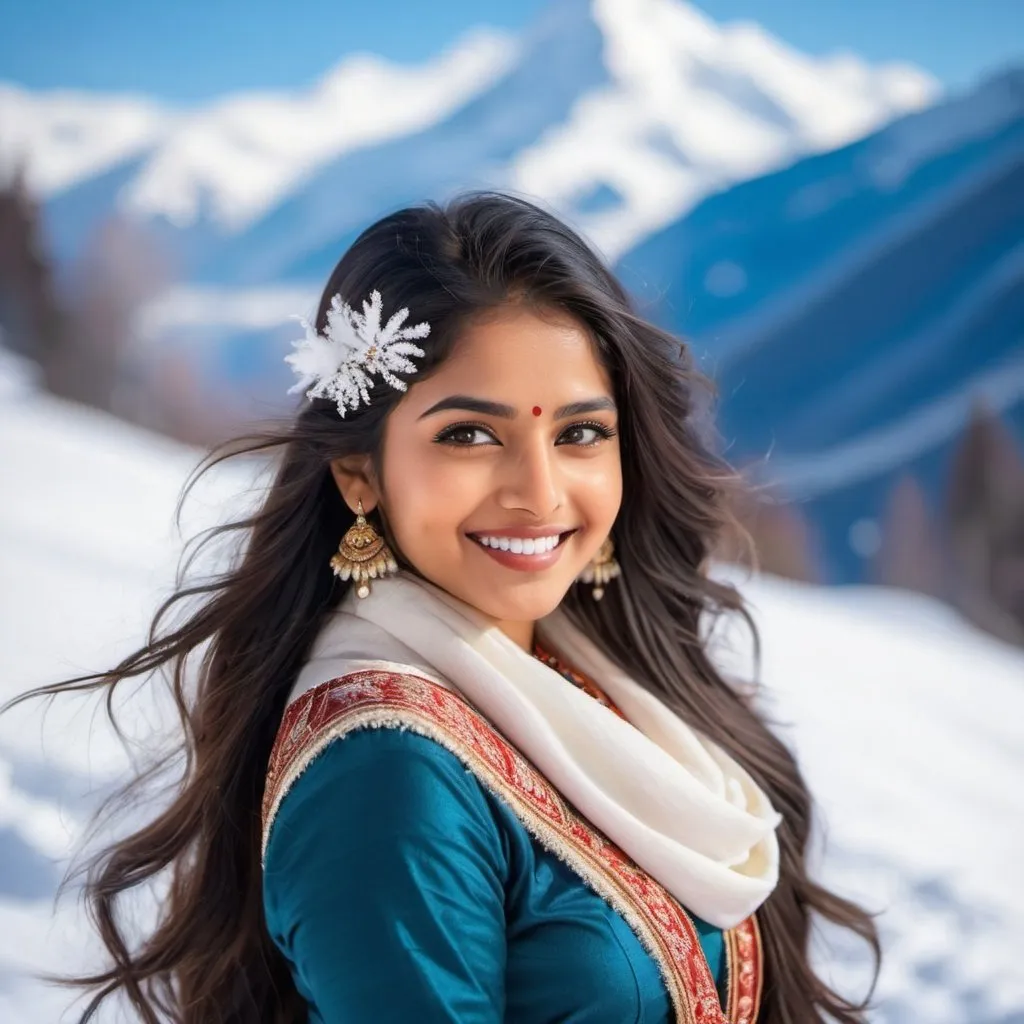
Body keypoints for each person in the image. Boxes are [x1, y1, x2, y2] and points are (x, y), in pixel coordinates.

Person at [7, 193, 879, 1023]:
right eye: (469, 435)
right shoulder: (387, 769)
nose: (539, 494)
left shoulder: (595, 673)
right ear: (358, 472)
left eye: (579, 433)